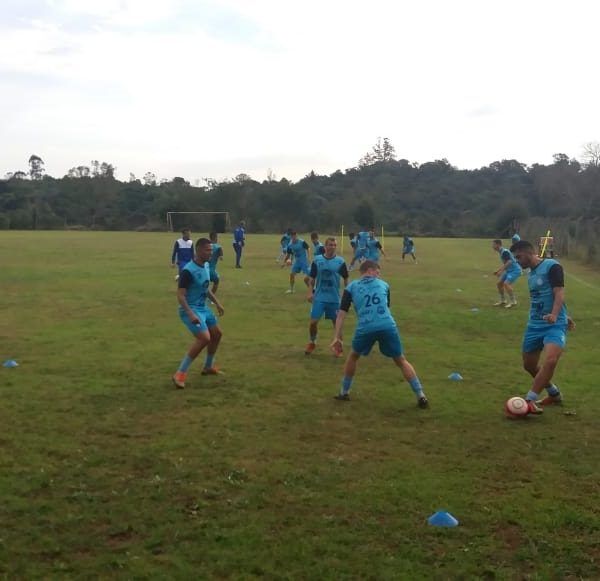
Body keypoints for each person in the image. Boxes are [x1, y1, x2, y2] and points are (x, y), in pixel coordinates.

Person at [330, 260, 429, 408]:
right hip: (387, 325)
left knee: (353, 356)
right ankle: (421, 395)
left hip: (366, 327)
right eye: (378, 272)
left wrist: (337, 337)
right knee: (401, 360)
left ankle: (344, 392)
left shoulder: (351, 287)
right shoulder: (385, 285)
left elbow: (341, 314)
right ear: (370, 270)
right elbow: (385, 306)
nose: (379, 275)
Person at [510, 239, 573, 414]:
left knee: (551, 360)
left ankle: (529, 400)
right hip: (534, 325)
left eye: (519, 257)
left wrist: (556, 315)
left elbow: (558, 292)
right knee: (529, 365)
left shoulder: (552, 266)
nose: (517, 261)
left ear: (529, 253)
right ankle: (553, 393)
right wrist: (567, 314)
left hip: (554, 324)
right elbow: (544, 296)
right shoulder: (530, 274)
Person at [172, 238, 225, 389]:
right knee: (204, 338)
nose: (211, 253)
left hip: (203, 308)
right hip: (190, 309)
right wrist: (190, 314)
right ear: (199, 251)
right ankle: (180, 374)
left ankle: (208, 367)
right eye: (208, 250)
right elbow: (180, 296)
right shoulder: (188, 271)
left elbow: (205, 288)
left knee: (217, 334)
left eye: (211, 250)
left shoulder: (207, 265)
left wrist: (217, 303)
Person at [305, 237, 349, 356]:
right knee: (313, 322)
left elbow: (346, 278)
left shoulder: (340, 262)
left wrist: (347, 294)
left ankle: (338, 346)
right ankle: (312, 342)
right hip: (319, 297)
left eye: (335, 245)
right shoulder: (317, 260)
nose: (333, 247)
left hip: (334, 298)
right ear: (325, 246)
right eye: (330, 245)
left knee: (337, 324)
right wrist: (310, 292)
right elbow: (312, 278)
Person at [492, 239, 522, 308]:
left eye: (494, 244)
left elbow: (509, 262)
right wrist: (498, 270)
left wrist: (501, 271)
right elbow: (506, 263)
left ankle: (513, 301)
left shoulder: (504, 252)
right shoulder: (501, 252)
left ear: (498, 245)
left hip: (515, 270)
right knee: (499, 284)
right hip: (509, 270)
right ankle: (503, 300)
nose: (492, 246)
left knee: (506, 284)